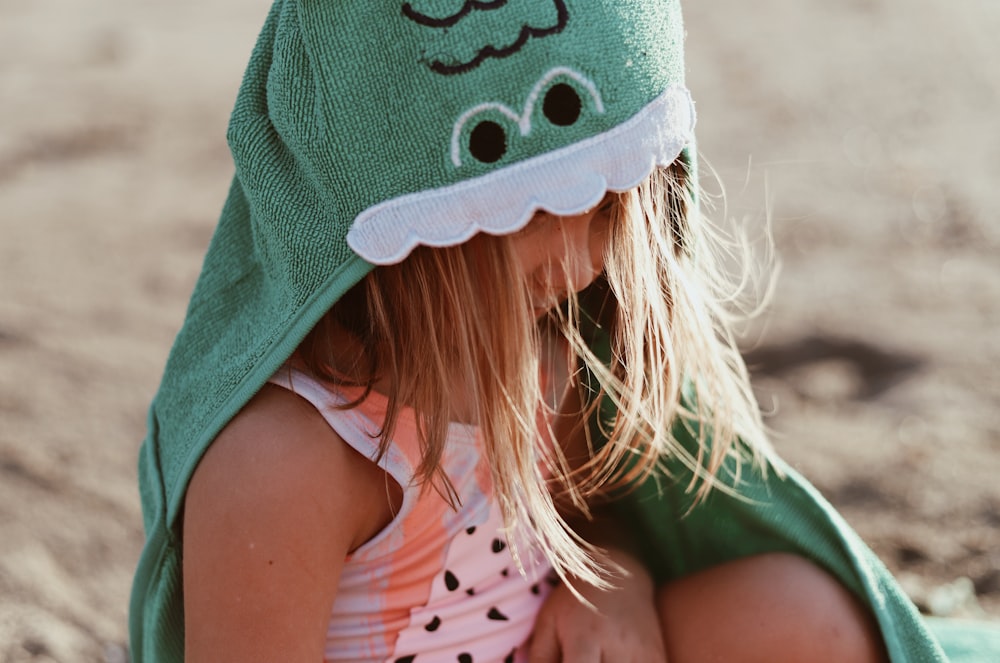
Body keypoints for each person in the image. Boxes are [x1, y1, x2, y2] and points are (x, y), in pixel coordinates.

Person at [128, 1, 953, 661]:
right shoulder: (290, 457)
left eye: (606, 206)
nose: (580, 255)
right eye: (536, 206)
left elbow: (590, 518)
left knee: (805, 614)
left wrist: (614, 581)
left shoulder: (544, 362)